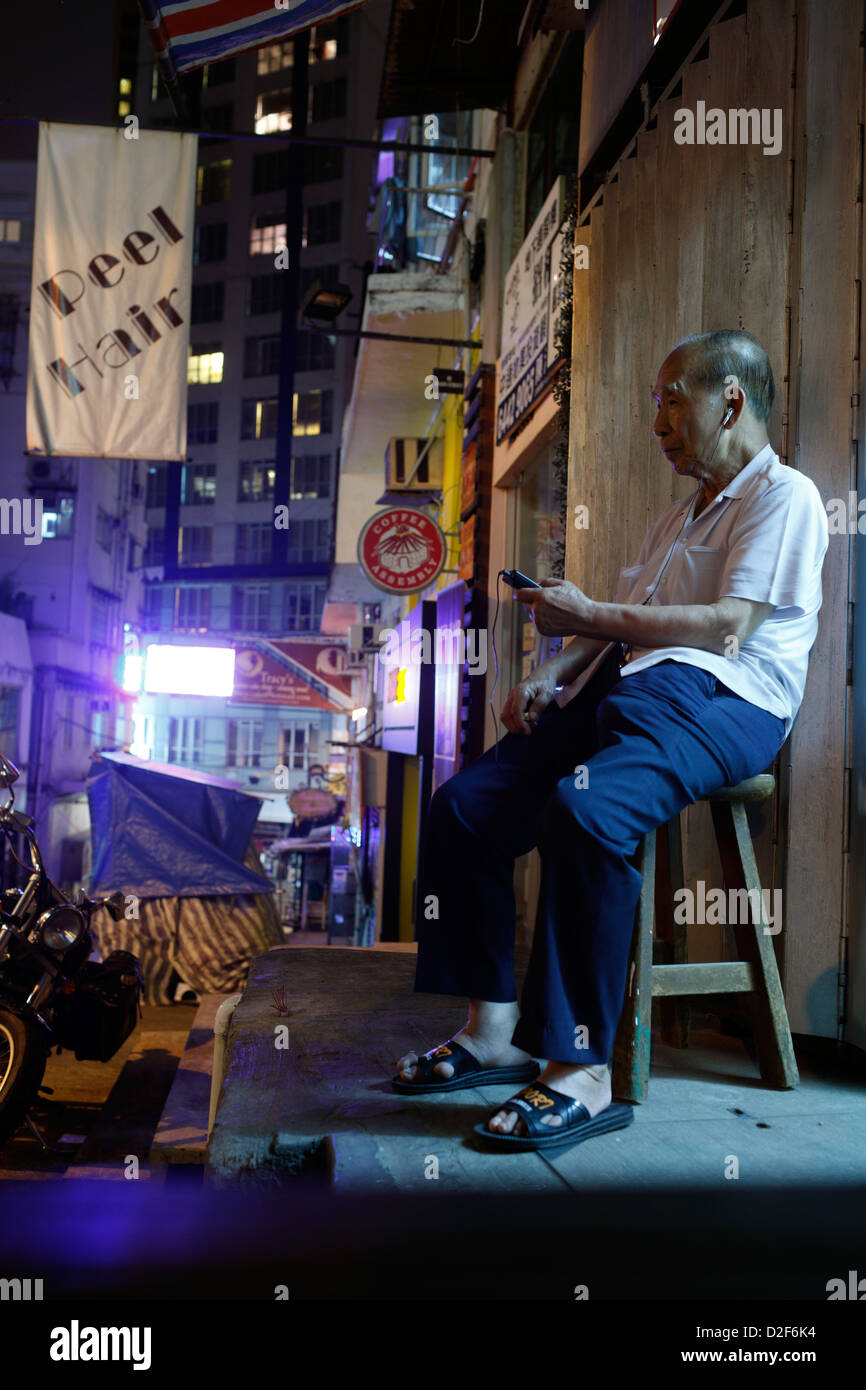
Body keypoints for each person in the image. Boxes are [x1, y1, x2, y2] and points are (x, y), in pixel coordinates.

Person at [392, 329, 829, 1152]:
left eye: (672, 399)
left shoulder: (786, 497)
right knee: (464, 807)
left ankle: (581, 1073)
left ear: (730, 399)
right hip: (636, 689)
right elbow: (618, 630)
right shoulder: (676, 516)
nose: (657, 420)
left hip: (732, 699)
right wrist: (556, 668)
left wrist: (589, 618)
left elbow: (730, 630)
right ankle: (493, 1030)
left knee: (586, 814)